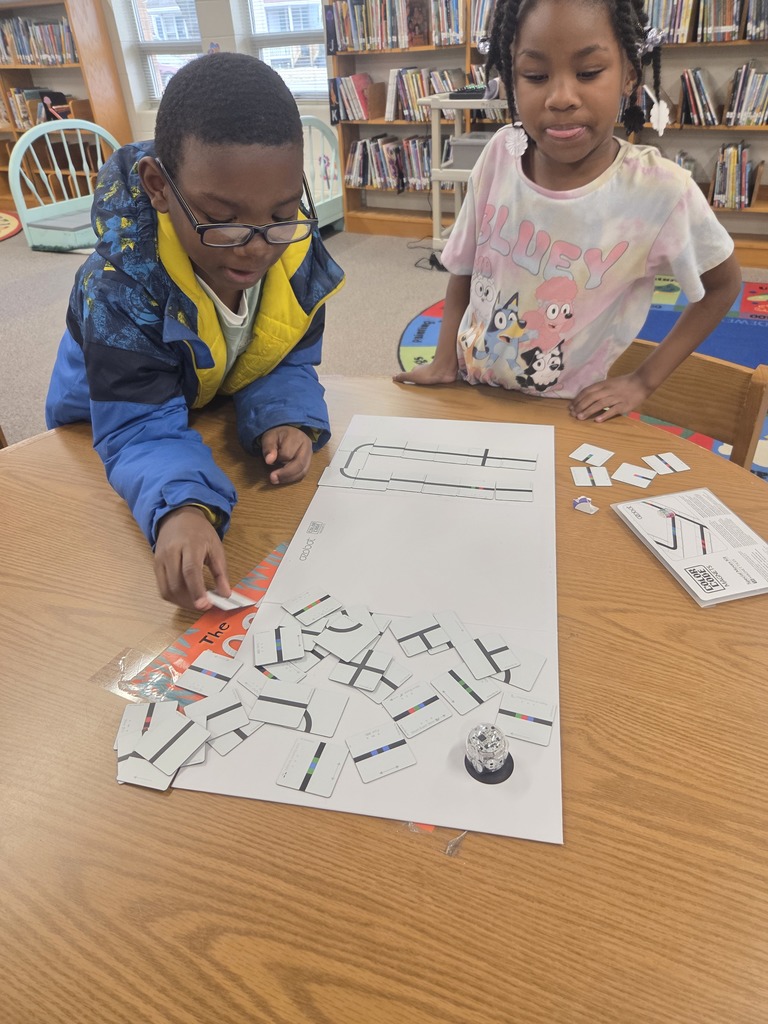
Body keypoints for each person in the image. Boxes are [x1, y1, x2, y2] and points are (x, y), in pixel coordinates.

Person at [46, 52, 344, 611]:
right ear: (158, 187)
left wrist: (286, 415)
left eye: (281, 212)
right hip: (102, 425)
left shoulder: (295, 251)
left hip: (202, 399)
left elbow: (282, 357)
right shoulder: (117, 288)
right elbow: (135, 428)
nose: (258, 245)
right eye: (223, 218)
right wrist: (182, 508)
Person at [394, 0, 741, 423]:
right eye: (536, 76)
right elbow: (465, 268)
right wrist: (445, 358)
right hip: (472, 387)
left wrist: (643, 381)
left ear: (629, 74)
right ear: (510, 79)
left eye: (589, 72)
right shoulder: (501, 154)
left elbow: (723, 286)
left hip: (570, 413)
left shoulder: (660, 190)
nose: (560, 97)